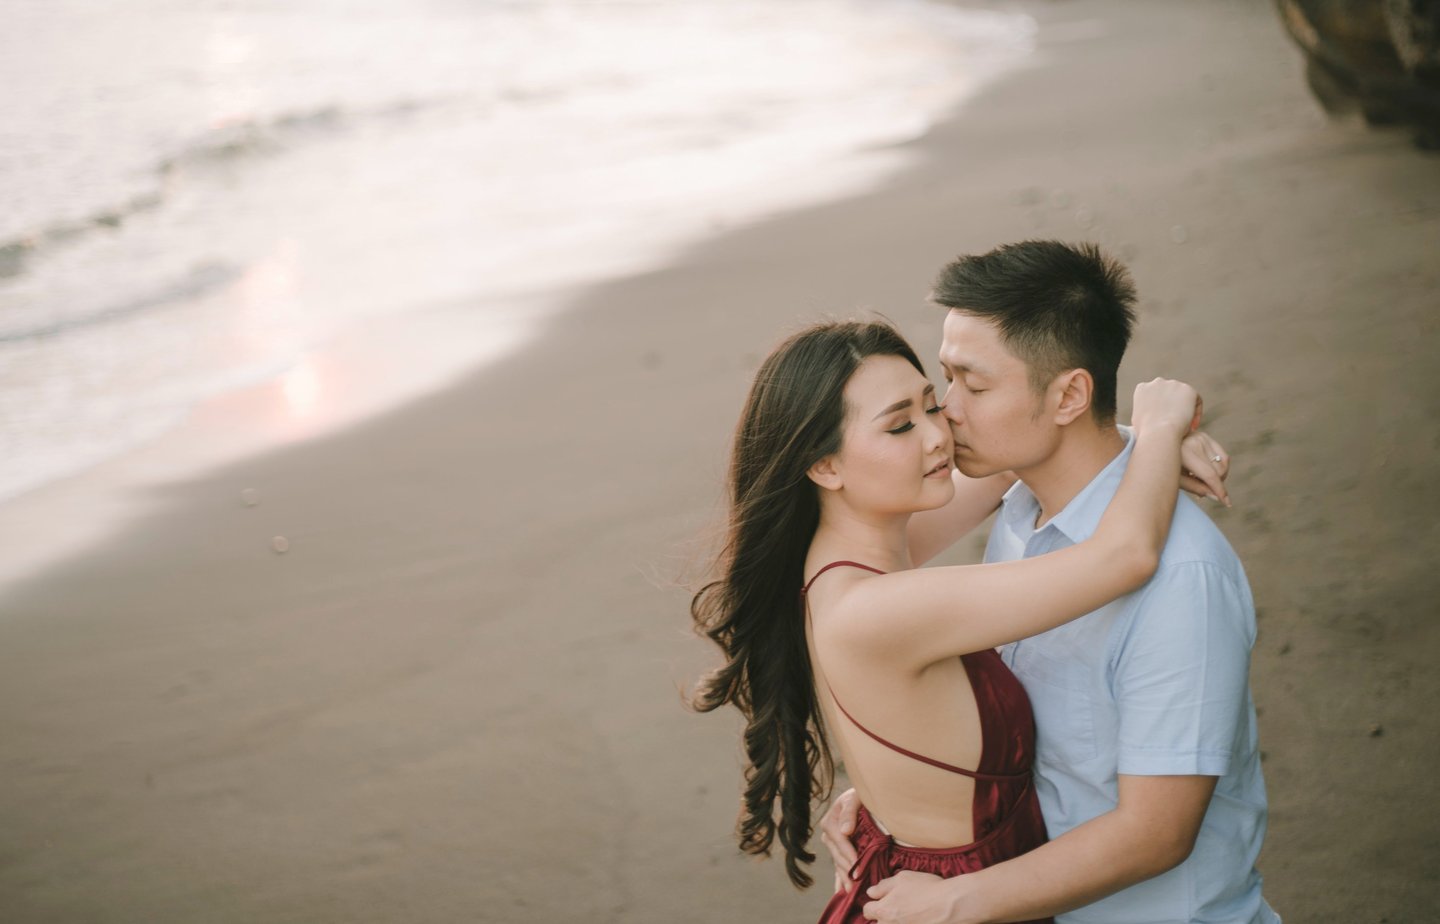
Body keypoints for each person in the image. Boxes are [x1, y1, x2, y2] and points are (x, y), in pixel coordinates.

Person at [690, 313, 1227, 923]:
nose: (937, 436)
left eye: (931, 405)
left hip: (936, 878)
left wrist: (1134, 447)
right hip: (951, 901)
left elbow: (1021, 456)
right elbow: (1124, 557)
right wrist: (1161, 427)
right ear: (825, 466)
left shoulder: (852, 554)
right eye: (900, 425)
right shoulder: (875, 610)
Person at [818, 241, 1279, 924]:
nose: (948, 413)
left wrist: (954, 900)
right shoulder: (1019, 507)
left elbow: (1157, 832)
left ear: (1067, 395)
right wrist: (904, 793)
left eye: (974, 387)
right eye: (946, 380)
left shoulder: (1183, 578)